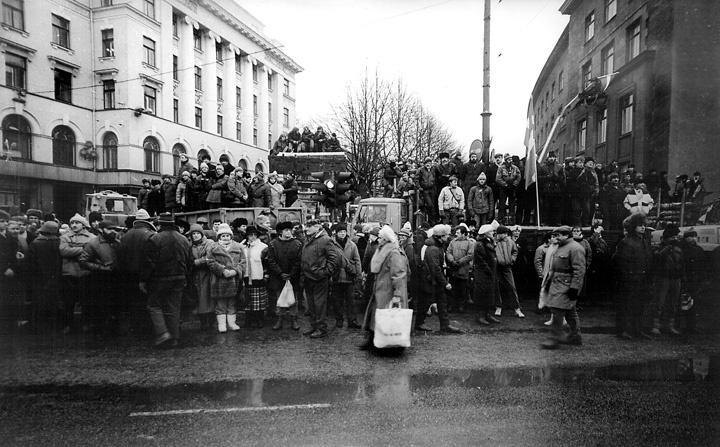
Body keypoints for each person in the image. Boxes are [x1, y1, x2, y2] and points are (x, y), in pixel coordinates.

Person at [139, 213, 192, 348]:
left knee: (154, 305)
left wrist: (144, 280)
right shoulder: (184, 239)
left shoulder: (155, 239)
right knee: (174, 308)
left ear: (160, 224)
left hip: (160, 279)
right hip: (180, 278)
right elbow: (190, 262)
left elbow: (149, 263)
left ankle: (163, 333)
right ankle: (174, 339)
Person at [360, 225, 409, 350]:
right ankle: (374, 341)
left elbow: (399, 275)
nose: (378, 240)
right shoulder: (383, 250)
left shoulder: (394, 253)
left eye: (381, 238)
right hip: (381, 290)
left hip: (389, 292)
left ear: (386, 239)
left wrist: (398, 295)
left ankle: (389, 344)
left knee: (387, 318)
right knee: (377, 317)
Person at [540, 226, 586, 349]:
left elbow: (579, 270)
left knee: (557, 310)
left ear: (566, 235)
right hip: (557, 282)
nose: (556, 238)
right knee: (570, 311)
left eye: (558, 235)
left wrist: (575, 288)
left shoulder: (576, 248)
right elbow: (554, 267)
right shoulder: (560, 247)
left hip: (567, 284)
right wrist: (549, 282)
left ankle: (555, 338)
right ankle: (575, 336)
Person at [611, 212, 653, 340]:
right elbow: (622, 263)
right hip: (629, 281)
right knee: (626, 306)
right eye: (639, 225)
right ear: (633, 226)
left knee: (639, 306)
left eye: (643, 225)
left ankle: (637, 329)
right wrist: (627, 278)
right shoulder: (626, 242)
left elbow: (648, 260)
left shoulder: (644, 241)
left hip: (641, 280)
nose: (643, 227)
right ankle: (623, 330)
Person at [414, 224, 463, 333]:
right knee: (425, 303)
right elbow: (435, 268)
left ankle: (444, 325)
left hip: (433, 280)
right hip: (430, 280)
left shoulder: (436, 246)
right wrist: (445, 283)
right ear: (439, 237)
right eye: (445, 236)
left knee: (442, 301)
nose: (447, 238)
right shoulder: (433, 249)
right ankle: (419, 323)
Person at [79, 220, 122, 340]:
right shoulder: (93, 244)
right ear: (101, 230)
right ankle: (99, 331)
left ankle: (113, 331)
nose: (113, 231)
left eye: (114, 229)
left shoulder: (116, 242)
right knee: (100, 305)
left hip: (114, 277)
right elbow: (83, 261)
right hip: (99, 278)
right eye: (109, 229)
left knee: (114, 305)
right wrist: (101, 268)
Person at [117, 209, 156, 334]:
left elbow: (120, 256)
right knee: (147, 302)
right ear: (148, 221)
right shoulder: (150, 235)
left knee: (133, 302)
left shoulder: (126, 235)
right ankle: (147, 327)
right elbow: (151, 259)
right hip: (146, 275)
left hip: (129, 274)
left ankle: (135, 327)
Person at [300, 219, 339, 339]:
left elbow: (334, 258)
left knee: (319, 305)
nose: (306, 229)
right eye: (306, 226)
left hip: (319, 278)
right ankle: (314, 326)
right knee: (311, 304)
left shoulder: (325, 240)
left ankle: (321, 328)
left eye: (309, 227)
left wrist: (325, 273)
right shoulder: (309, 239)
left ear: (317, 227)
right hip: (308, 277)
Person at [59, 213, 94, 334]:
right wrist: (83, 249)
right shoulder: (64, 237)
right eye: (72, 223)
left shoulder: (92, 237)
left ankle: (86, 323)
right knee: (68, 302)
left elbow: (92, 253)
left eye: (77, 223)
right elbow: (63, 251)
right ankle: (67, 325)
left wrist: (73, 249)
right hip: (69, 273)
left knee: (86, 301)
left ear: (83, 225)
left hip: (85, 273)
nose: (74, 225)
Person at [207, 223, 246, 332]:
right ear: (219, 237)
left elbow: (243, 262)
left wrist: (235, 271)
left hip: (234, 280)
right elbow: (210, 262)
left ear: (231, 236)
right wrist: (222, 270)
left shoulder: (238, 247)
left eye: (227, 235)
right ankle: (222, 324)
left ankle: (232, 322)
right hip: (219, 279)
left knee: (232, 302)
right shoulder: (213, 247)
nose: (225, 238)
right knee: (221, 303)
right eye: (223, 236)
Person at [26, 221, 62, 332]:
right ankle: (54, 326)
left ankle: (39, 327)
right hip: (56, 277)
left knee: (39, 302)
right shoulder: (59, 242)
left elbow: (30, 264)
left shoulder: (36, 243)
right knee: (54, 301)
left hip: (39, 278)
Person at [267, 221, 303, 331]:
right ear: (280, 232)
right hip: (278, 277)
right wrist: (280, 273)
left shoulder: (297, 244)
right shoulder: (273, 244)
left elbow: (299, 261)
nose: (289, 232)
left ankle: (294, 319)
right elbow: (271, 261)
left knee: (293, 298)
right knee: (279, 298)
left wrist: (291, 274)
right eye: (286, 230)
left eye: (290, 230)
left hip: (293, 277)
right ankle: (280, 319)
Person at [649, 224, 684, 336]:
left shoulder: (678, 248)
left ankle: (670, 326)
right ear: (667, 237)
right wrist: (668, 247)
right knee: (659, 302)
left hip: (675, 278)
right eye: (673, 236)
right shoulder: (658, 247)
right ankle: (655, 326)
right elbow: (658, 257)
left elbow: (682, 262)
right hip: (662, 277)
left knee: (674, 303)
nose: (676, 239)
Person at [330, 223, 362, 329]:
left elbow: (357, 261)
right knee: (337, 300)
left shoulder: (352, 245)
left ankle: (352, 320)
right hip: (336, 276)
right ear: (336, 233)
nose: (342, 234)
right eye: (340, 232)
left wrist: (358, 275)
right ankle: (339, 320)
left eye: (344, 232)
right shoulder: (331, 245)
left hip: (349, 276)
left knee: (350, 301)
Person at [188, 224, 215, 330]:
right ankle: (203, 323)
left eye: (197, 233)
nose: (195, 236)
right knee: (199, 300)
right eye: (193, 234)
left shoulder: (209, 243)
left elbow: (209, 257)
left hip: (207, 275)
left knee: (209, 298)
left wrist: (196, 262)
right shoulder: (190, 246)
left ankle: (211, 322)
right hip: (196, 276)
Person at [494, 225, 525, 318]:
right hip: (496, 267)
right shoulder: (493, 242)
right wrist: (495, 260)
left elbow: (515, 251)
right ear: (498, 234)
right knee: (497, 287)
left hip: (507, 267)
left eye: (506, 233)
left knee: (512, 287)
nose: (506, 235)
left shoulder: (510, 241)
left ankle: (517, 308)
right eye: (504, 233)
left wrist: (512, 259)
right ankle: (498, 306)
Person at [473, 224, 501, 325]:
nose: (493, 233)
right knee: (482, 293)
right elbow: (481, 260)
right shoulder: (480, 244)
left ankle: (488, 314)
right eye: (491, 231)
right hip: (483, 273)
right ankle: (480, 315)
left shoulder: (488, 243)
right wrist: (489, 270)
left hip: (489, 273)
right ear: (485, 233)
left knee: (489, 293)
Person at [446, 225, 474, 314]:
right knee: (452, 288)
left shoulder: (470, 243)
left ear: (463, 234)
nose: (456, 234)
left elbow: (470, 255)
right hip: (453, 268)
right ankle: (451, 305)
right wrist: (452, 261)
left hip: (463, 269)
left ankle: (461, 305)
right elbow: (448, 252)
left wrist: (460, 262)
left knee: (463, 288)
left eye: (458, 233)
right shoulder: (452, 242)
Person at [537, 151, 565, 226]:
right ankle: (545, 221)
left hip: (556, 190)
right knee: (546, 206)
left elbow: (563, 178)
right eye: (550, 157)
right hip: (546, 190)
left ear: (555, 158)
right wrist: (547, 177)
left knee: (557, 207)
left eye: (553, 157)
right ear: (547, 158)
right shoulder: (542, 167)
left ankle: (557, 221)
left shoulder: (560, 167)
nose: (551, 159)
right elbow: (539, 178)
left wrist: (557, 177)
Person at [496, 154, 521, 224]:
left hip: (512, 188)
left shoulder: (515, 168)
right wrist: (505, 184)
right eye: (508, 159)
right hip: (504, 188)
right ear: (506, 160)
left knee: (512, 205)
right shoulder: (501, 168)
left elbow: (519, 177)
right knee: (501, 204)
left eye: (511, 159)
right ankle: (501, 220)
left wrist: (514, 184)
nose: (510, 161)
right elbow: (498, 178)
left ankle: (511, 220)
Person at [575, 157, 599, 226]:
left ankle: (585, 222)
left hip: (589, 194)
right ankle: (578, 223)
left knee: (587, 209)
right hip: (579, 193)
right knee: (578, 209)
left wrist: (595, 192)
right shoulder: (581, 171)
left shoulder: (594, 173)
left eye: (592, 163)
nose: (591, 164)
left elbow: (596, 183)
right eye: (589, 162)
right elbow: (577, 180)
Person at [417, 157, 437, 223]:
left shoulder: (433, 170)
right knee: (430, 204)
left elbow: (435, 178)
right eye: (427, 163)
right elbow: (416, 179)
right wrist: (419, 187)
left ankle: (433, 221)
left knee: (433, 206)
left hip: (432, 189)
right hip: (425, 190)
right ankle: (430, 220)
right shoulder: (421, 170)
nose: (428, 164)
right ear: (425, 164)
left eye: (430, 163)